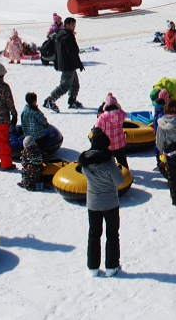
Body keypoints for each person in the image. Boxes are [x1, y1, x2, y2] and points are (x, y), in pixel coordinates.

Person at [77, 127, 124, 277]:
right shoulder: (109, 163)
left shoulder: (85, 162)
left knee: (94, 234)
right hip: (110, 202)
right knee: (112, 234)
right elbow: (119, 181)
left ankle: (93, 267)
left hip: (93, 202)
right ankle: (111, 266)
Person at [45, 17, 84, 111]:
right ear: (67, 25)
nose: (74, 27)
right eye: (72, 25)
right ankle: (50, 100)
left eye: (74, 25)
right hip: (68, 64)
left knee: (75, 84)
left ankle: (72, 100)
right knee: (65, 85)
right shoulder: (68, 36)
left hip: (65, 63)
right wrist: (78, 63)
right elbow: (73, 52)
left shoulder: (61, 34)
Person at [96, 93, 129, 169]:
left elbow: (97, 129)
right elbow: (124, 113)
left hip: (107, 145)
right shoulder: (121, 114)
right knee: (122, 160)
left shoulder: (103, 117)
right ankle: (126, 174)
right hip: (120, 143)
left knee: (108, 162)